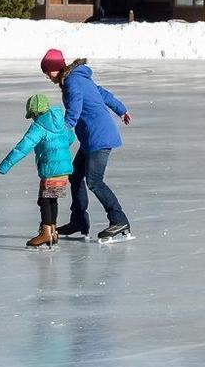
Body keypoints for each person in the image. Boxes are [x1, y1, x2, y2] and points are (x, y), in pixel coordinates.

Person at [40, 49, 135, 241]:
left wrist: (63, 133)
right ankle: (79, 221)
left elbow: (74, 109)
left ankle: (119, 219)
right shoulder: (78, 78)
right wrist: (121, 109)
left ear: (55, 68)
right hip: (92, 136)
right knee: (75, 176)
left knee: (94, 181)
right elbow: (102, 93)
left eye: (47, 71)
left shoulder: (72, 82)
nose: (47, 76)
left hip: (98, 136)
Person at [0, 93, 77, 249]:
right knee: (52, 199)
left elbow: (22, 148)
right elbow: (70, 138)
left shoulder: (39, 127)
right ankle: (52, 231)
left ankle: (46, 233)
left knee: (45, 201)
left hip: (51, 169)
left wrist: (5, 165)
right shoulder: (61, 122)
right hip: (64, 169)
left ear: (35, 113)